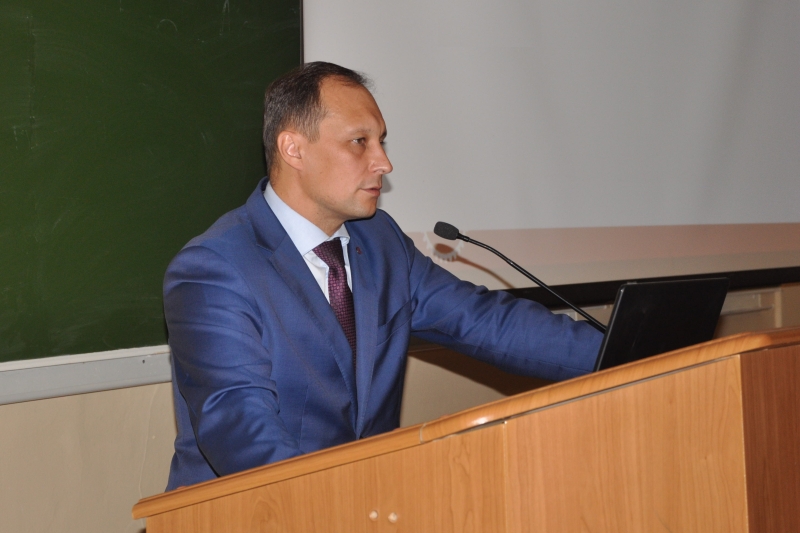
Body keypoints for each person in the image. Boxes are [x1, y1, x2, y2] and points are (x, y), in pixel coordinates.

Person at [164, 62, 602, 490]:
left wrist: (628, 351)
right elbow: (241, 428)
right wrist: (335, 508)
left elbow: (488, 324)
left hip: (370, 504)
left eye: (381, 142)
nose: (384, 163)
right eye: (360, 142)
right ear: (293, 149)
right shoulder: (214, 270)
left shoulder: (381, 241)